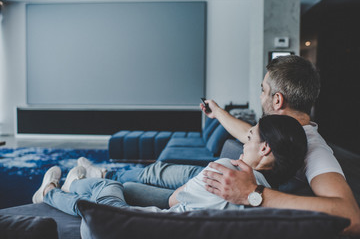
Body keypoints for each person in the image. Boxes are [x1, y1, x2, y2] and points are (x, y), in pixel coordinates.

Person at [83, 55, 359, 235]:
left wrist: (254, 194)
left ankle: (85, 186)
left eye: (262, 90)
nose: (259, 96)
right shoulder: (280, 131)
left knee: (126, 187)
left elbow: (350, 217)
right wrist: (217, 112)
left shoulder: (315, 149)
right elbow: (247, 134)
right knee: (135, 183)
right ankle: (100, 178)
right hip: (214, 181)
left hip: (224, 192)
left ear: (277, 100)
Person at [32, 115, 307, 217]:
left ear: (265, 148)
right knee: (126, 186)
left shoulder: (227, 170)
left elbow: (175, 200)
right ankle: (75, 182)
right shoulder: (271, 201)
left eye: (249, 138)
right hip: (168, 222)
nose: (244, 144)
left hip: (136, 225)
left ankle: (51, 191)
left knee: (108, 186)